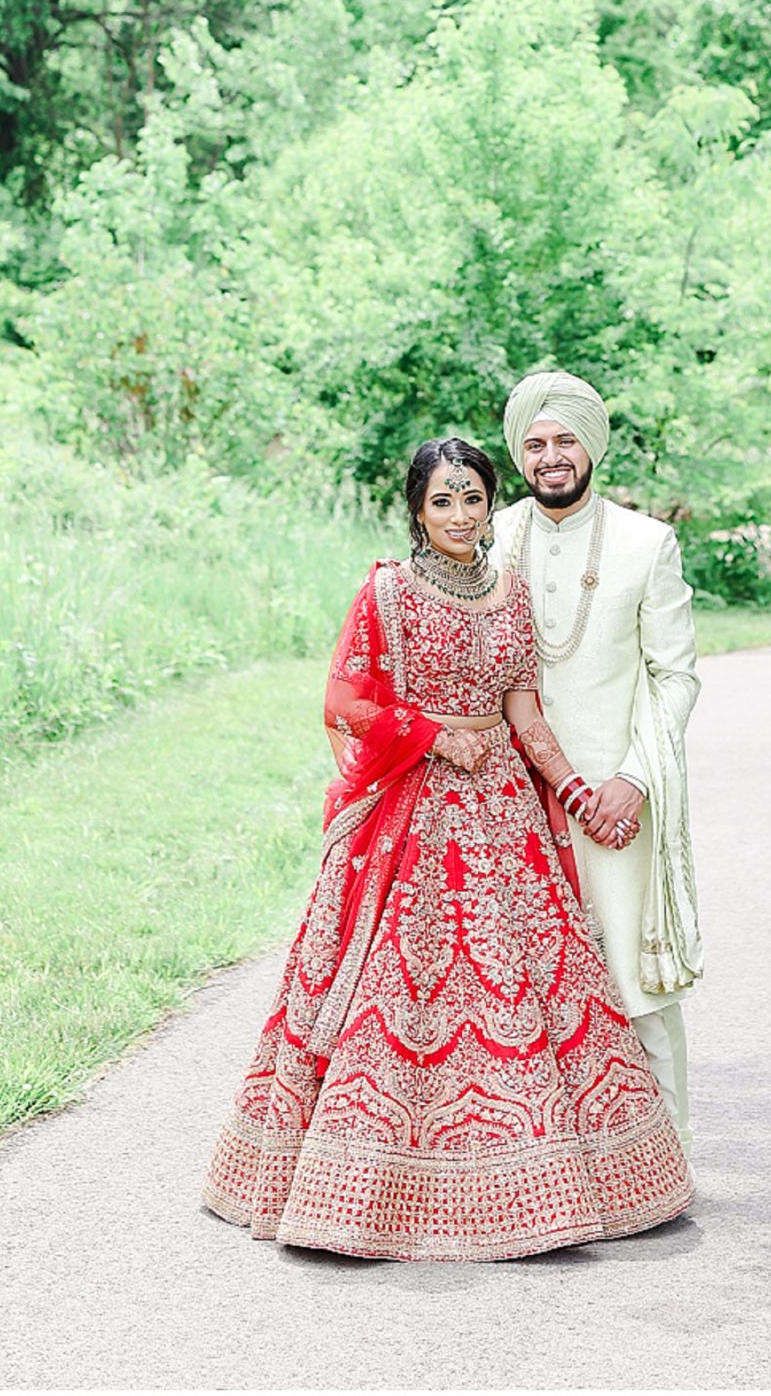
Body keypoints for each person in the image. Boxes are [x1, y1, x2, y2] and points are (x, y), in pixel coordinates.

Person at [202, 435, 692, 1262]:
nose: (460, 516)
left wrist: (580, 793)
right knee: (398, 988)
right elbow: (345, 700)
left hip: (504, 814)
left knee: (528, 983)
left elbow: (527, 716)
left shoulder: (508, 595)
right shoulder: (388, 591)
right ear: (417, 512)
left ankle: (539, 1180)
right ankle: (363, 1192)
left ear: (487, 503)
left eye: (472, 499)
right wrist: (430, 736)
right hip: (414, 816)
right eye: (442, 502)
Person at [492, 371, 701, 1153]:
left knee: (633, 981)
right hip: (505, 800)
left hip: (615, 800)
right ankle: (548, 1166)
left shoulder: (648, 543)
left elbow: (675, 677)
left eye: (565, 440)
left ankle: (666, 1154)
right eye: (536, 443)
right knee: (520, 987)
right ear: (519, 453)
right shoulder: (490, 534)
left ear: (592, 445)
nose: (552, 457)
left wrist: (634, 779)